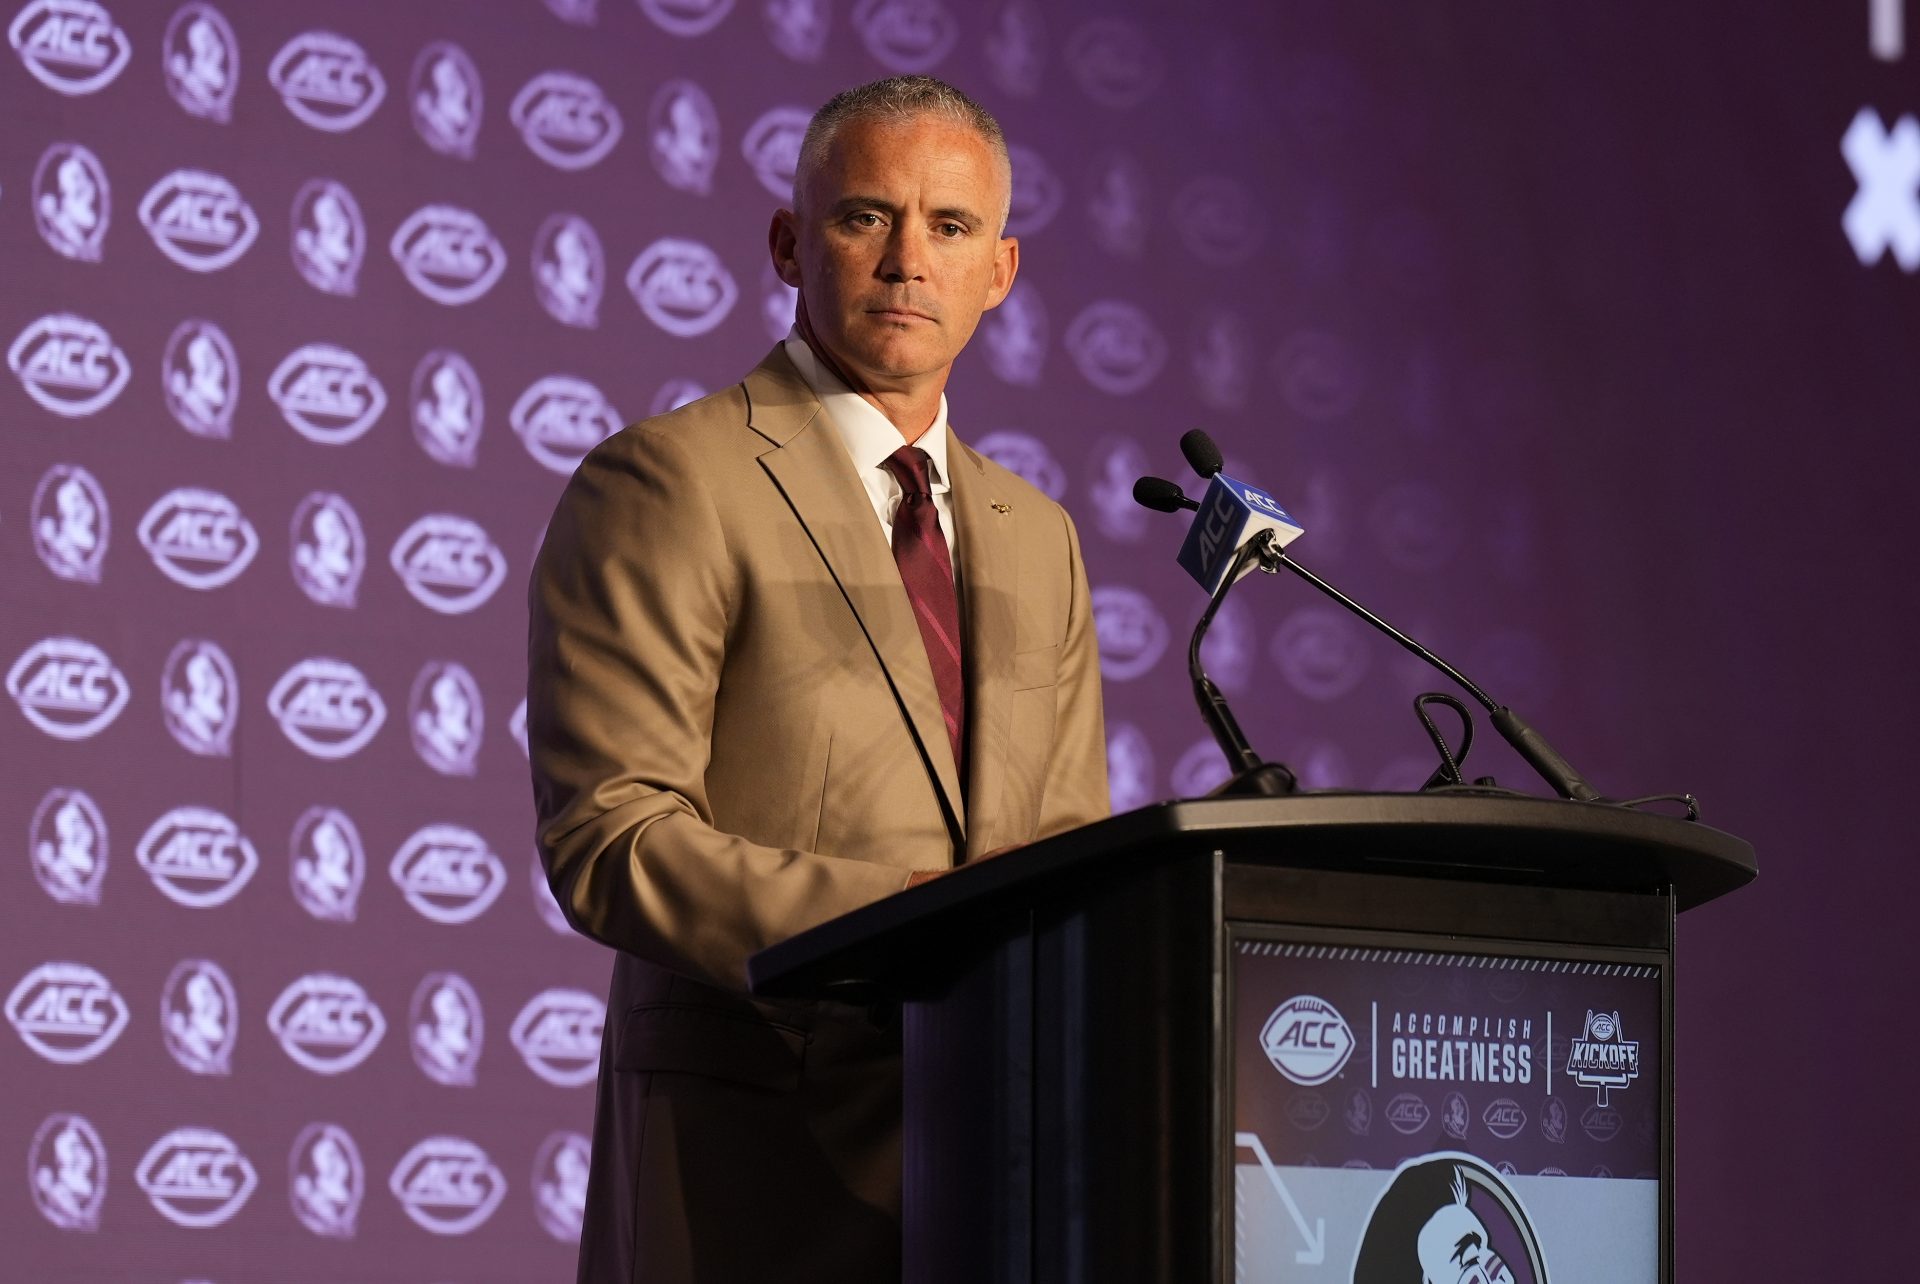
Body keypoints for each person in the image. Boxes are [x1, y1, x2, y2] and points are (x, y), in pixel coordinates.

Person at [528, 75, 1108, 1283]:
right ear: (792, 243)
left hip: (1003, 1181)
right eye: (865, 218)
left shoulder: (1035, 531)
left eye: (949, 228)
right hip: (751, 1175)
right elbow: (613, 838)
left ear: (999, 272)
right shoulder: (669, 483)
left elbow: (1067, 866)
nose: (908, 260)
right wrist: (908, 918)